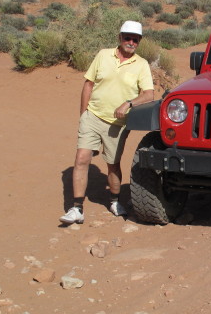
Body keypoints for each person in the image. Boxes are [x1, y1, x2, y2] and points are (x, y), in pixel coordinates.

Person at [60, 20, 154, 224]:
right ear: (120, 37)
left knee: (112, 164)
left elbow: (148, 95)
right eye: (127, 37)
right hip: (93, 116)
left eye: (135, 39)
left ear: (139, 42)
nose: (131, 42)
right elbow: (88, 84)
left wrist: (129, 103)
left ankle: (114, 201)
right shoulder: (103, 55)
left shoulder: (141, 64)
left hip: (117, 125)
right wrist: (83, 115)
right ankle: (76, 208)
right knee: (82, 158)